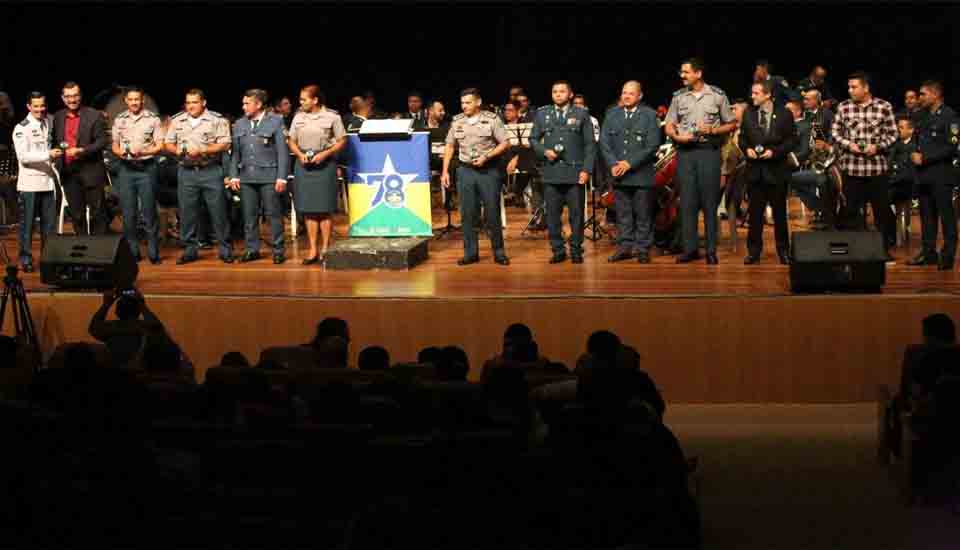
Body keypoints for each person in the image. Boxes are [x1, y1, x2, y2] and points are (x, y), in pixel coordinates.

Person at [665, 58, 737, 264]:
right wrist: (676, 136)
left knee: (709, 202)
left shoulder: (717, 95)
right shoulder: (678, 97)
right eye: (681, 72)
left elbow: (731, 123)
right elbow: (669, 123)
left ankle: (711, 250)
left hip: (708, 152)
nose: (682, 76)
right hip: (685, 153)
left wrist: (713, 130)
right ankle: (690, 249)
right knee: (687, 203)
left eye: (686, 72)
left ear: (698, 74)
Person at [163, 88, 234, 265]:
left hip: (210, 170)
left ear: (203, 103)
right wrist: (176, 150)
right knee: (187, 213)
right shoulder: (177, 120)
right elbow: (168, 143)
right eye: (188, 103)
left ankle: (225, 249)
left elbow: (225, 143)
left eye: (194, 102)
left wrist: (203, 150)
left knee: (218, 212)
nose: (191, 106)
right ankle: (190, 250)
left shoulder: (217, 120)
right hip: (186, 172)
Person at [441, 88, 511, 266]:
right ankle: (471, 253)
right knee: (468, 214)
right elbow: (450, 145)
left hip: (488, 171)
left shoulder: (492, 119)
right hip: (465, 171)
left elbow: (505, 143)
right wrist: (445, 171)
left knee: (492, 213)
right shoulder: (457, 121)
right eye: (462, 103)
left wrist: (487, 156)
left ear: (478, 102)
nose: (464, 106)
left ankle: (499, 252)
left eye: (468, 102)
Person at [831, 71, 897, 256]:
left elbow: (893, 134)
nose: (850, 90)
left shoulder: (884, 107)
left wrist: (877, 146)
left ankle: (882, 251)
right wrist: (848, 144)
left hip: (876, 169)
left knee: (881, 213)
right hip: (852, 169)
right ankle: (854, 252)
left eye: (854, 87)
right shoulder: (843, 107)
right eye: (849, 87)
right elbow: (835, 133)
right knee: (850, 213)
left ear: (866, 88)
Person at [531, 80, 595, 264]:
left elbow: (590, 145)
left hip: (575, 172)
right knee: (552, 216)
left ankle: (576, 250)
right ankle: (558, 250)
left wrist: (586, 170)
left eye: (562, 91)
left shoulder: (581, 114)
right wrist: (544, 151)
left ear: (570, 94)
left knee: (576, 215)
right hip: (551, 173)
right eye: (555, 91)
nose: (558, 94)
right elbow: (533, 139)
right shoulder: (542, 114)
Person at [600, 81, 661, 263]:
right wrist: (613, 164)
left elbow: (652, 145)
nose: (626, 96)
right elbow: (604, 142)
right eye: (624, 93)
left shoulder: (649, 115)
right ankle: (625, 247)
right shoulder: (612, 114)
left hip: (641, 173)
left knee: (643, 214)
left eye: (631, 93)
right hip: (618, 173)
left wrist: (629, 163)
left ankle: (642, 249)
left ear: (639, 96)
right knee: (623, 214)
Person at [227, 89, 289, 264]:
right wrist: (233, 175)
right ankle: (252, 249)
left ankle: (278, 250)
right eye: (243, 103)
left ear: (259, 104)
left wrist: (282, 177)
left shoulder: (275, 121)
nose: (243, 106)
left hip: (269, 175)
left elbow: (282, 152)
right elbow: (235, 154)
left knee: (273, 215)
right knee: (249, 216)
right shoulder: (239, 124)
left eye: (247, 103)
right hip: (247, 176)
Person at [287, 85, 347, 264]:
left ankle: (326, 249)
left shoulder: (332, 117)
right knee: (309, 209)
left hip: (325, 164)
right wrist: (299, 154)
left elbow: (342, 140)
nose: (301, 102)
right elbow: (291, 140)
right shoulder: (298, 117)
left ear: (315, 100)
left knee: (324, 209)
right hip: (304, 165)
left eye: (304, 99)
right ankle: (313, 250)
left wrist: (325, 154)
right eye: (300, 99)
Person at [740, 81, 797, 264]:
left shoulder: (784, 113)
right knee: (755, 215)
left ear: (767, 95)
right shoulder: (748, 113)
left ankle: (783, 251)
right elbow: (742, 138)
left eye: (756, 93)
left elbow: (792, 140)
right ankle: (753, 252)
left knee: (779, 215)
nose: (752, 96)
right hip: (755, 172)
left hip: (776, 171)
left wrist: (775, 152)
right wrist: (747, 149)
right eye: (752, 93)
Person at [907, 80, 958, 270]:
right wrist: (913, 152)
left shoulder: (949, 116)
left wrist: (925, 157)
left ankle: (948, 255)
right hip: (923, 175)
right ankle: (928, 253)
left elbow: (952, 146)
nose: (920, 98)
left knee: (946, 217)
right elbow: (914, 139)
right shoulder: (922, 116)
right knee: (927, 217)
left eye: (923, 94)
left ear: (935, 94)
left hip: (941, 174)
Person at [110, 87, 163, 264]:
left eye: (137, 99)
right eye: (131, 99)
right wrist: (120, 153)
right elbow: (114, 145)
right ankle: (133, 251)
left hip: (146, 168)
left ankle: (153, 251)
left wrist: (144, 152)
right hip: (126, 169)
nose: (134, 102)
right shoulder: (119, 119)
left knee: (149, 212)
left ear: (142, 100)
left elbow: (160, 145)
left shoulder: (153, 119)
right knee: (128, 213)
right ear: (126, 101)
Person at [51, 82, 108, 235]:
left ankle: (98, 248)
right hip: (69, 173)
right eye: (68, 96)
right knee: (77, 215)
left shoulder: (94, 115)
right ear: (63, 98)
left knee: (97, 214)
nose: (72, 99)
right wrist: (55, 153)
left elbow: (102, 141)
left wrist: (82, 151)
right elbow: (55, 141)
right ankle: (82, 246)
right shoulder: (58, 117)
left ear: (80, 96)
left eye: (75, 95)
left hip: (91, 171)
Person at [11, 92, 58, 273]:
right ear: (29, 107)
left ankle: (48, 258)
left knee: (49, 226)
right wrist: (48, 154)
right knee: (28, 225)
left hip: (47, 182)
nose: (40, 109)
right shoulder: (21, 128)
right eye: (36, 106)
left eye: (42, 105)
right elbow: (23, 157)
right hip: (29, 185)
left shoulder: (48, 122)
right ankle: (26, 258)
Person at [88, 288, 169, 368]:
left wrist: (106, 305)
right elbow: (158, 330)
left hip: (114, 371)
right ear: (138, 311)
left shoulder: (110, 327)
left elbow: (93, 328)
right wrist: (142, 305)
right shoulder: (144, 327)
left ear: (117, 312)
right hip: (137, 371)